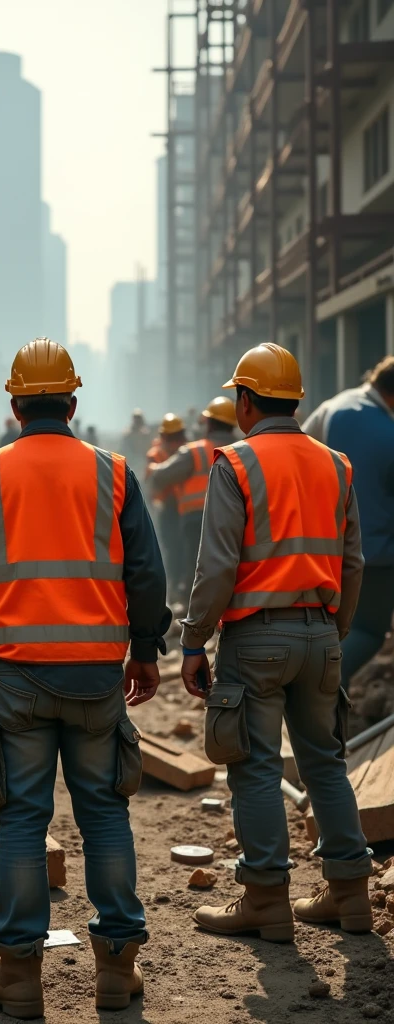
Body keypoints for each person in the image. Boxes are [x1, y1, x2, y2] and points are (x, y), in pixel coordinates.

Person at [0, 338, 170, 1018]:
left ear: (13, 405)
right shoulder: (114, 472)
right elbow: (146, 573)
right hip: (96, 675)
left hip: (15, 679)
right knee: (106, 816)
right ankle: (118, 972)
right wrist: (146, 649)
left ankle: (18, 977)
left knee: (22, 825)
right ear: (72, 400)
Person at [180, 342, 372, 943]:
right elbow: (354, 562)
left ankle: (266, 900)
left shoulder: (235, 464)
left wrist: (194, 641)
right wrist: (331, 633)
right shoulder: (336, 464)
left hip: (257, 640)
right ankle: (350, 896)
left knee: (256, 770)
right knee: (325, 764)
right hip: (321, 631)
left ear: (244, 400)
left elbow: (217, 568)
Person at [303, 356, 394, 690]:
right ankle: (320, 692)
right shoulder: (389, 433)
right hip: (373, 556)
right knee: (368, 630)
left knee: (323, 629)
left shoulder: (330, 409)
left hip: (315, 552)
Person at [148, 397, 237, 599]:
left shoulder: (194, 451)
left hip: (196, 517)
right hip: (234, 520)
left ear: (209, 424)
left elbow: (160, 477)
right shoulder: (247, 448)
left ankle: (194, 618)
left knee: (195, 568)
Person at [146, 414, 187, 602]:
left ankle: (182, 589)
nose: (175, 442)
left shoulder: (186, 453)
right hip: (166, 507)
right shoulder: (155, 455)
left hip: (185, 508)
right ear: (163, 438)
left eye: (177, 437)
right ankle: (172, 590)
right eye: (171, 438)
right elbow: (152, 479)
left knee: (186, 549)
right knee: (171, 549)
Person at [120, 408, 152, 480]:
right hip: (132, 462)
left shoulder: (145, 434)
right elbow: (125, 449)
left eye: (139, 418)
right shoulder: (128, 434)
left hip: (143, 463)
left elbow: (149, 448)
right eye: (136, 418)